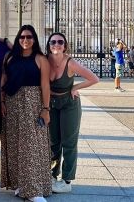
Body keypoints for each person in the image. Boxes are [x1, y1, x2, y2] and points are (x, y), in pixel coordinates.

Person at [0, 25, 51, 202]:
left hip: (33, 104)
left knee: (32, 146)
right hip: (12, 103)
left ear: (34, 39)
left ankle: (34, 188)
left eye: (29, 37)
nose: (25, 40)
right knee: (14, 144)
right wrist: (1, 101)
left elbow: (45, 85)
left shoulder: (40, 59)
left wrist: (45, 109)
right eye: (22, 37)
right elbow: (3, 80)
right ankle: (20, 184)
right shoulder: (10, 57)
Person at [46, 32, 99, 193]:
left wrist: (75, 87)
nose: (56, 44)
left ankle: (67, 181)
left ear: (65, 46)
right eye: (53, 42)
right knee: (54, 142)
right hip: (52, 104)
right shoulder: (44, 60)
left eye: (60, 42)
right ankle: (53, 175)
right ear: (48, 45)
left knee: (69, 142)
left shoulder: (71, 63)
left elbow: (94, 78)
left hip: (69, 104)